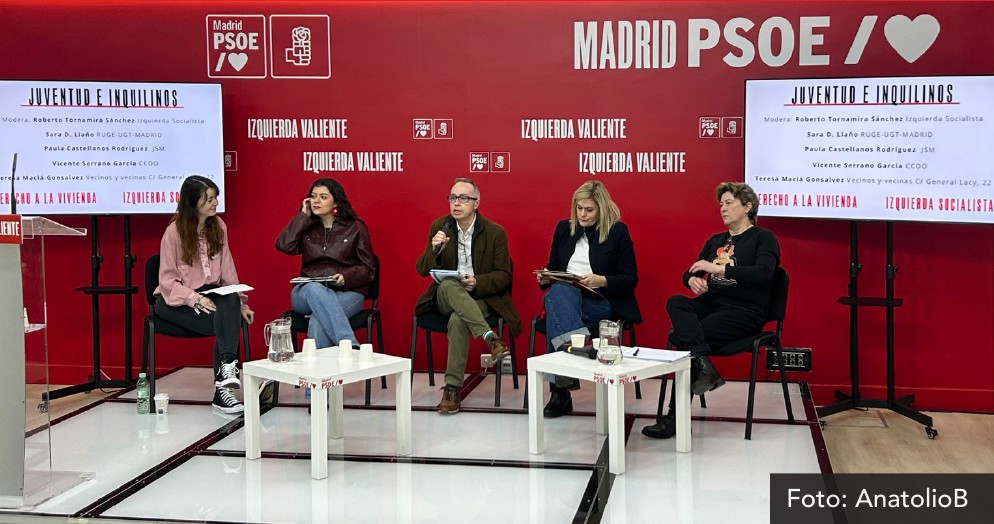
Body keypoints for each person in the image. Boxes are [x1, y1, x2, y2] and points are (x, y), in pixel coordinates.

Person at [643, 181, 781, 439]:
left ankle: (676, 417)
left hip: (745, 311)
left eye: (729, 203)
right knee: (676, 301)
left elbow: (764, 273)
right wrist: (691, 281)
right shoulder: (716, 240)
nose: (723, 209)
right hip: (713, 305)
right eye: (721, 204)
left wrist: (719, 269)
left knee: (685, 338)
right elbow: (691, 270)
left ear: (747, 207)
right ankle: (703, 364)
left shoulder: (763, 238)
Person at [415, 177, 521, 414]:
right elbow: (422, 269)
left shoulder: (495, 233)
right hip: (446, 296)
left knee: (457, 320)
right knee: (448, 285)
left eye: (463, 198)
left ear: (476, 203)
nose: (456, 203)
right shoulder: (440, 227)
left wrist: (477, 282)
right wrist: (435, 250)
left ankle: (452, 388)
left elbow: (504, 275)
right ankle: (490, 337)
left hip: (480, 297)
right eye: (452, 198)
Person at [537, 180, 640, 417]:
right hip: (568, 300)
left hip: (602, 302)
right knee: (560, 291)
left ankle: (560, 391)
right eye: (579, 208)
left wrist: (601, 280)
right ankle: (578, 355)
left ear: (601, 209)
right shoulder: (564, 229)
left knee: (556, 310)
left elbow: (630, 278)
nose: (582, 214)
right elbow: (554, 267)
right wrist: (545, 277)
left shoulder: (617, 232)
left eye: (589, 210)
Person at [154, 175, 255, 414]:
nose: (215, 203)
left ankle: (226, 370)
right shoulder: (173, 233)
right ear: (192, 203)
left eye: (215, 197)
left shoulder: (218, 227)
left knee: (230, 301)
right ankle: (224, 389)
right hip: (175, 300)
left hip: (211, 294)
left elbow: (228, 271)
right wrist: (195, 299)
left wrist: (242, 305)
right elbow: (167, 282)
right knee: (227, 322)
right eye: (209, 199)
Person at [276, 178, 375, 350]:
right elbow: (284, 245)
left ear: (336, 202)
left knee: (318, 320)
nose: (316, 201)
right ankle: (349, 344)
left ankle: (320, 368)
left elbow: (368, 269)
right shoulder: (306, 226)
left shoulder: (355, 227)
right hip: (306, 293)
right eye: (313, 196)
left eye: (323, 197)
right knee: (314, 288)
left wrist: (345, 277)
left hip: (346, 292)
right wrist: (303, 216)